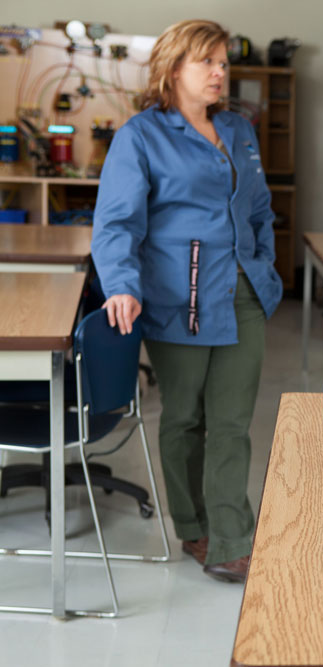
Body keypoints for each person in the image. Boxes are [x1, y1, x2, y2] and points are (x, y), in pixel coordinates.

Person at [92, 19, 283, 583]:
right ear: (174, 68)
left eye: (224, 62)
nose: (220, 72)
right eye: (208, 62)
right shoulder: (141, 136)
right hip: (181, 297)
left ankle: (230, 539)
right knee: (183, 420)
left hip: (243, 294)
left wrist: (266, 266)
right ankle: (192, 524)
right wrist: (121, 283)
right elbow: (116, 223)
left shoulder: (239, 130)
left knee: (231, 422)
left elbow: (258, 209)